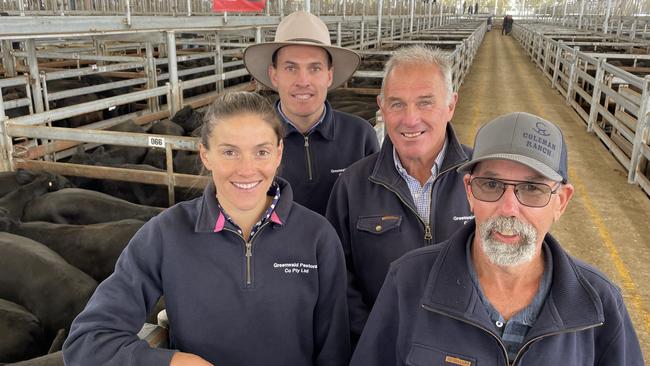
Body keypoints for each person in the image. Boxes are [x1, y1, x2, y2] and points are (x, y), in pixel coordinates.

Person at [62, 92, 351, 366]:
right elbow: (87, 341)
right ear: (205, 155)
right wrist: (172, 362)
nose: (247, 169)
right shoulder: (166, 234)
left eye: (261, 152)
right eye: (229, 152)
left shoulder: (317, 237)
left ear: (278, 153)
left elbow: (333, 352)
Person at [350, 112, 645, 365]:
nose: (508, 209)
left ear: (561, 201)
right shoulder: (408, 282)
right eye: (491, 185)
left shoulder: (599, 305)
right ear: (469, 192)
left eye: (532, 189)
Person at [326, 45, 473, 344]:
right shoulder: (352, 185)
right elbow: (339, 278)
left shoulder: (486, 179)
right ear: (381, 106)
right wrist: (375, 339)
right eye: (397, 104)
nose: (410, 119)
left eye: (425, 103)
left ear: (451, 105)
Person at [243, 11, 379, 216]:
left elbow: (375, 206)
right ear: (274, 75)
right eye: (291, 68)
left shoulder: (360, 135)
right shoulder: (250, 138)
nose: (303, 81)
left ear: (329, 76)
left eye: (315, 68)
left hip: (343, 249)